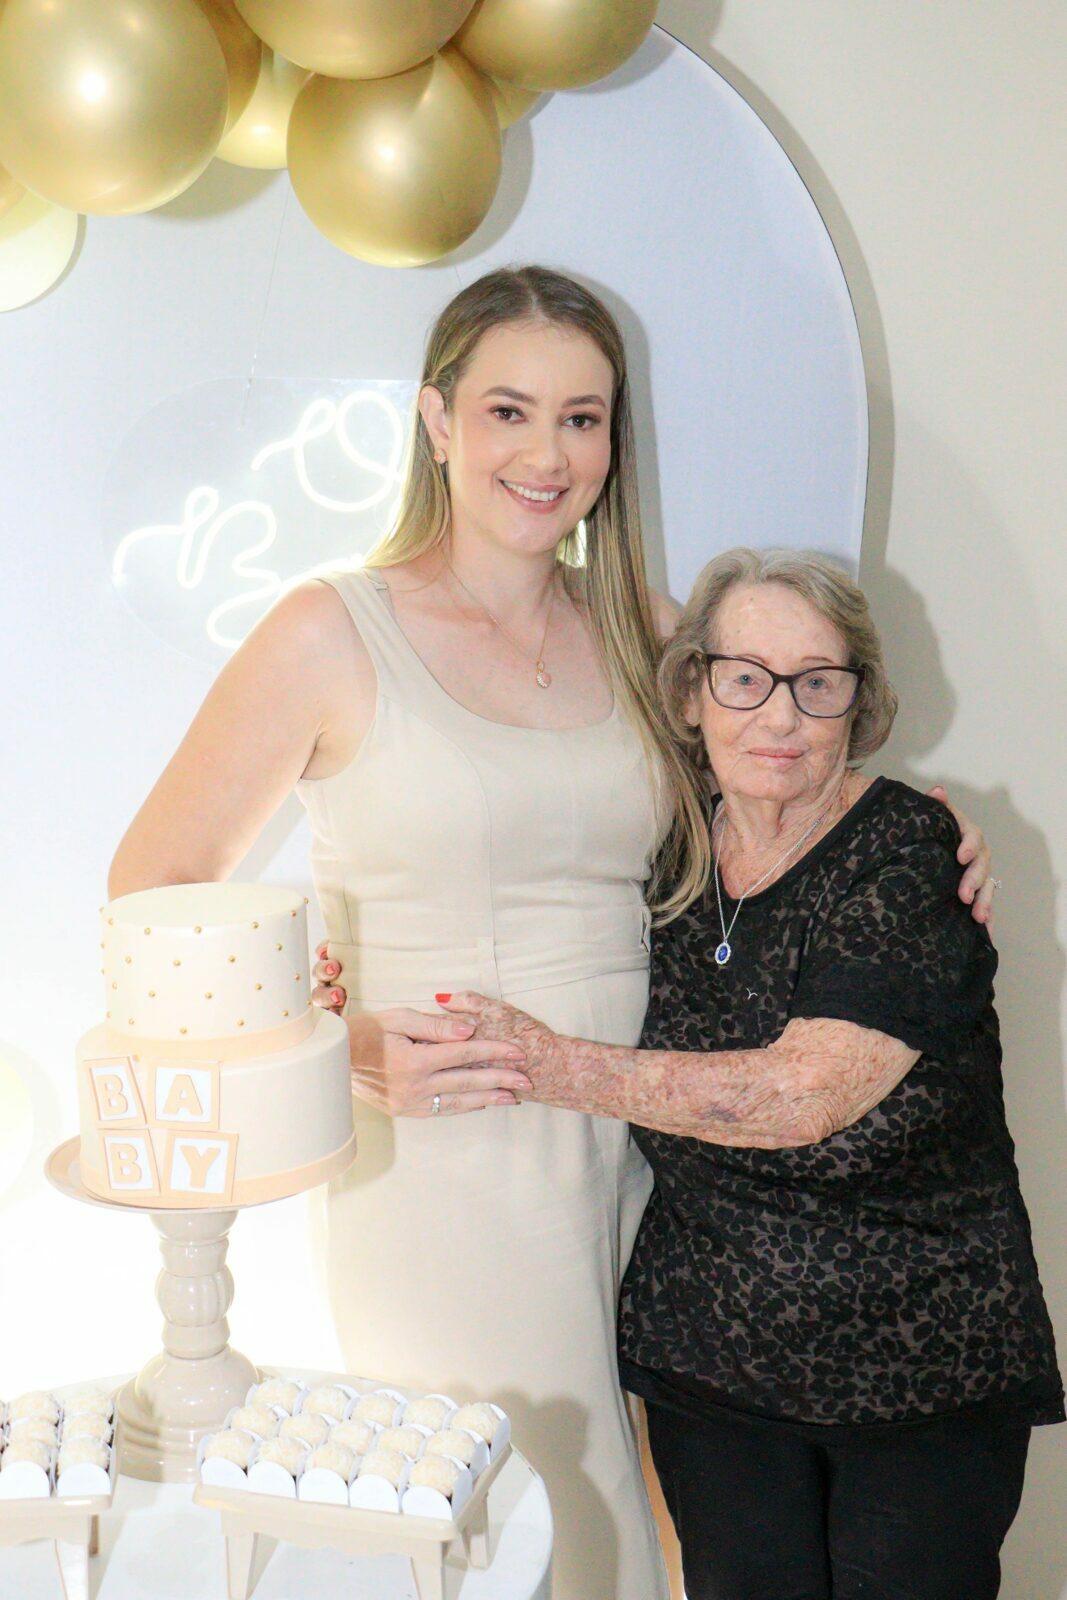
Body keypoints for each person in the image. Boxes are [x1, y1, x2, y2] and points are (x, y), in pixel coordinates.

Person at [109, 271, 995, 1600]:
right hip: (448, 1148)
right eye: (507, 411)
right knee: (527, 1529)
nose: (546, 453)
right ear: (436, 421)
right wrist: (338, 1041)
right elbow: (154, 890)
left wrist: (924, 832)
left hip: (651, 1151)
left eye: (580, 418)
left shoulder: (646, 636)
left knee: (663, 1519)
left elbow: (783, 774)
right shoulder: (328, 628)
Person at [434, 546, 1062, 1600]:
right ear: (691, 693)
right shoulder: (661, 845)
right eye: (744, 679)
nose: (780, 715)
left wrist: (543, 1064)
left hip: (914, 1363)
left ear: (858, 702)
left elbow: (799, 1094)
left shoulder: (904, 852)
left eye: (817, 683)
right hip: (711, 1360)